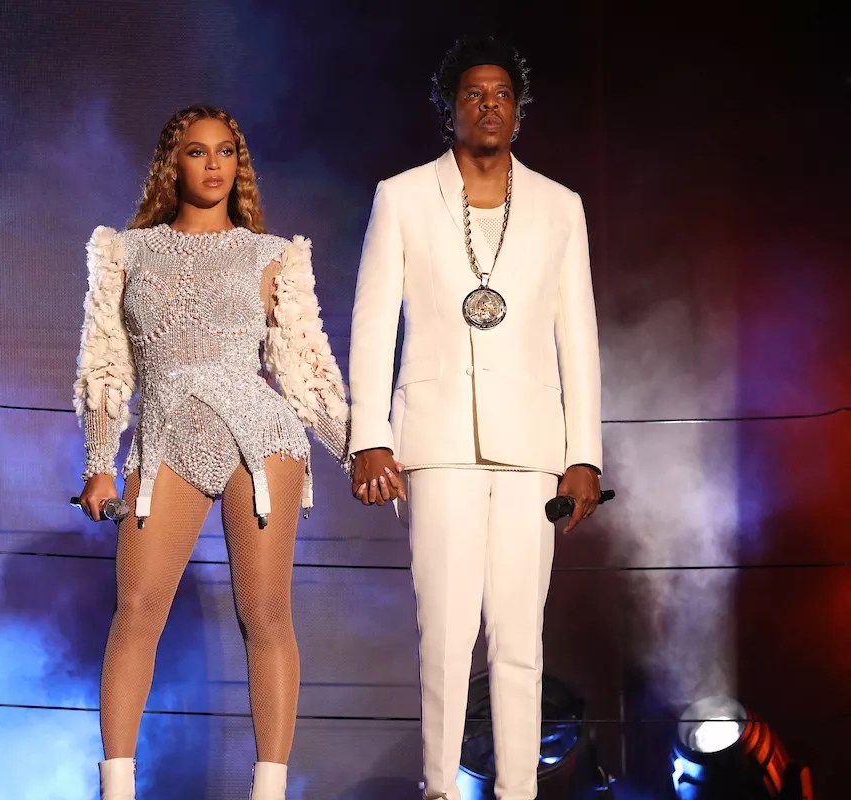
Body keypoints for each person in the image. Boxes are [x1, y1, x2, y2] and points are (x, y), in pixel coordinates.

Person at [347, 37, 604, 800]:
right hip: (436, 441)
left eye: (502, 95)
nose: (489, 105)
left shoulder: (560, 206)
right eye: (473, 94)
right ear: (449, 108)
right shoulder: (401, 196)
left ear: (518, 111)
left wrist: (584, 454)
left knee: (521, 637)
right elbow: (371, 323)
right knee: (446, 632)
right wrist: (370, 436)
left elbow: (578, 337)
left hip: (532, 448)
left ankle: (518, 790)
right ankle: (439, 788)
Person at [73, 104, 350, 800]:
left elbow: (303, 367)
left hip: (260, 438)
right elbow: (106, 362)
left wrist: (359, 452)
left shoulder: (271, 254)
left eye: (226, 151)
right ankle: (116, 788)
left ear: (239, 165)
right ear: (174, 163)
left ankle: (269, 791)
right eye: (197, 151)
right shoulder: (124, 252)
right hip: (167, 434)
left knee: (266, 614)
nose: (213, 163)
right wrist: (100, 463)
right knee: (137, 608)